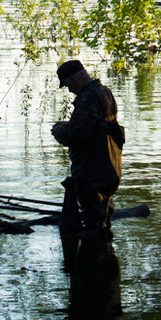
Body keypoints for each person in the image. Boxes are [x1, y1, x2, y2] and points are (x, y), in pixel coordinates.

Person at [51, 60, 125, 239]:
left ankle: (92, 260)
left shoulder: (87, 97)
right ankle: (104, 256)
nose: (69, 90)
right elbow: (96, 125)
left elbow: (79, 134)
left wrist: (59, 131)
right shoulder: (104, 92)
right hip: (109, 167)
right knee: (103, 215)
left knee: (93, 221)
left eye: (68, 85)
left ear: (74, 79)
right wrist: (70, 124)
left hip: (93, 169)